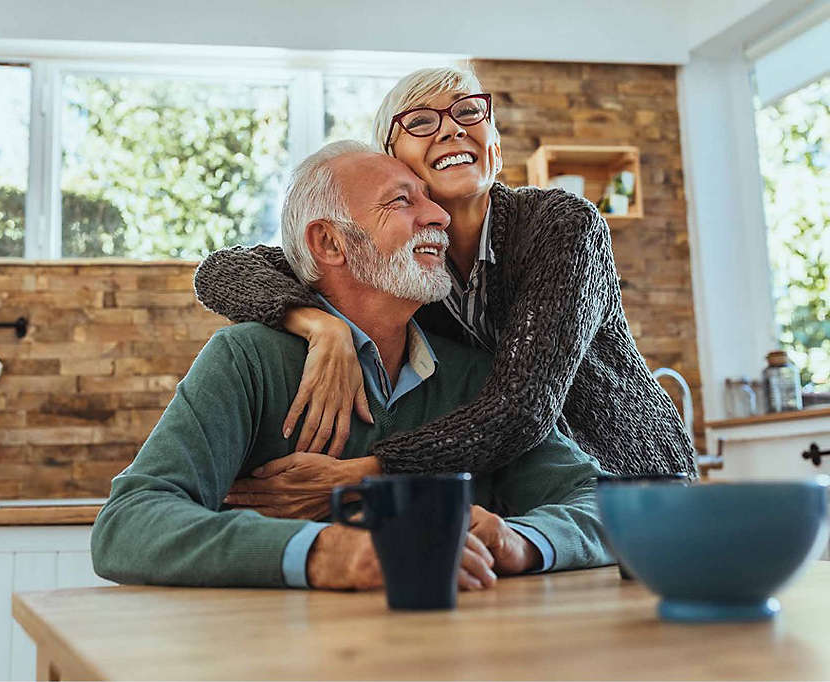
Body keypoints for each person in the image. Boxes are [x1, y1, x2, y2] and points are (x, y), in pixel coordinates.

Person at [91, 141, 611, 590]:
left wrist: (520, 539)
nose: (440, 216)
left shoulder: (475, 376)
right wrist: (327, 552)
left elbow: (601, 504)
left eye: (430, 199)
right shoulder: (247, 360)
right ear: (330, 243)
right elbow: (128, 523)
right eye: (402, 201)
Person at [194, 67, 696, 522]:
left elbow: (522, 408)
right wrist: (319, 323)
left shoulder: (562, 226)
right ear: (394, 164)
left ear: (494, 147)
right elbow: (223, 269)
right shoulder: (398, 264)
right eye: (419, 122)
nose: (452, 128)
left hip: (626, 479)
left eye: (468, 111)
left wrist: (365, 472)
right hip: (512, 499)